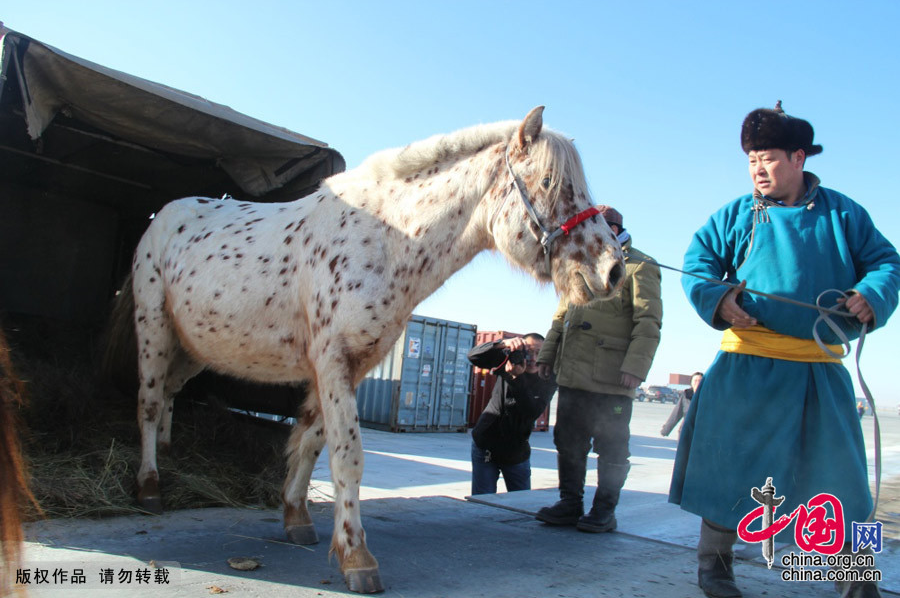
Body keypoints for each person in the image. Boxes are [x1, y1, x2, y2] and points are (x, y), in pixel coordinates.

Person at [670, 103, 900, 598]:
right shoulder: (736, 214)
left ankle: (858, 583)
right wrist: (719, 297)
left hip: (818, 369)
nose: (758, 168)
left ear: (798, 158)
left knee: (845, 482)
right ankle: (714, 567)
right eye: (752, 159)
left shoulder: (843, 213)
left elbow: (886, 261)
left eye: (768, 157)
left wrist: (872, 293)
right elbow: (699, 262)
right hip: (745, 367)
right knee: (727, 468)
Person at [535, 205, 662, 533]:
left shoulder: (639, 266)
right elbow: (561, 316)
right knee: (568, 441)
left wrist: (636, 366)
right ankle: (570, 503)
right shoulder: (579, 263)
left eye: (599, 227)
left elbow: (648, 322)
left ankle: (604, 511)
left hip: (612, 377)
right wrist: (547, 356)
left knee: (612, 445)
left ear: (615, 229)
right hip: (573, 373)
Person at [468, 334, 557, 495]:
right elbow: (473, 356)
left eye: (539, 353)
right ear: (520, 351)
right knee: (482, 502)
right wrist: (502, 344)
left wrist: (517, 378)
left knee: (521, 501)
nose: (533, 358)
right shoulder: (508, 360)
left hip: (516, 450)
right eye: (528, 352)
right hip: (486, 445)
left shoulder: (548, 378)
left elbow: (532, 411)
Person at [660, 372, 703, 438]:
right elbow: (677, 413)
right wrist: (665, 430)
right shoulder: (686, 395)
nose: (697, 383)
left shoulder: (708, 396)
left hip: (701, 433)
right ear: (691, 382)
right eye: (695, 380)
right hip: (685, 431)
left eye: (700, 381)